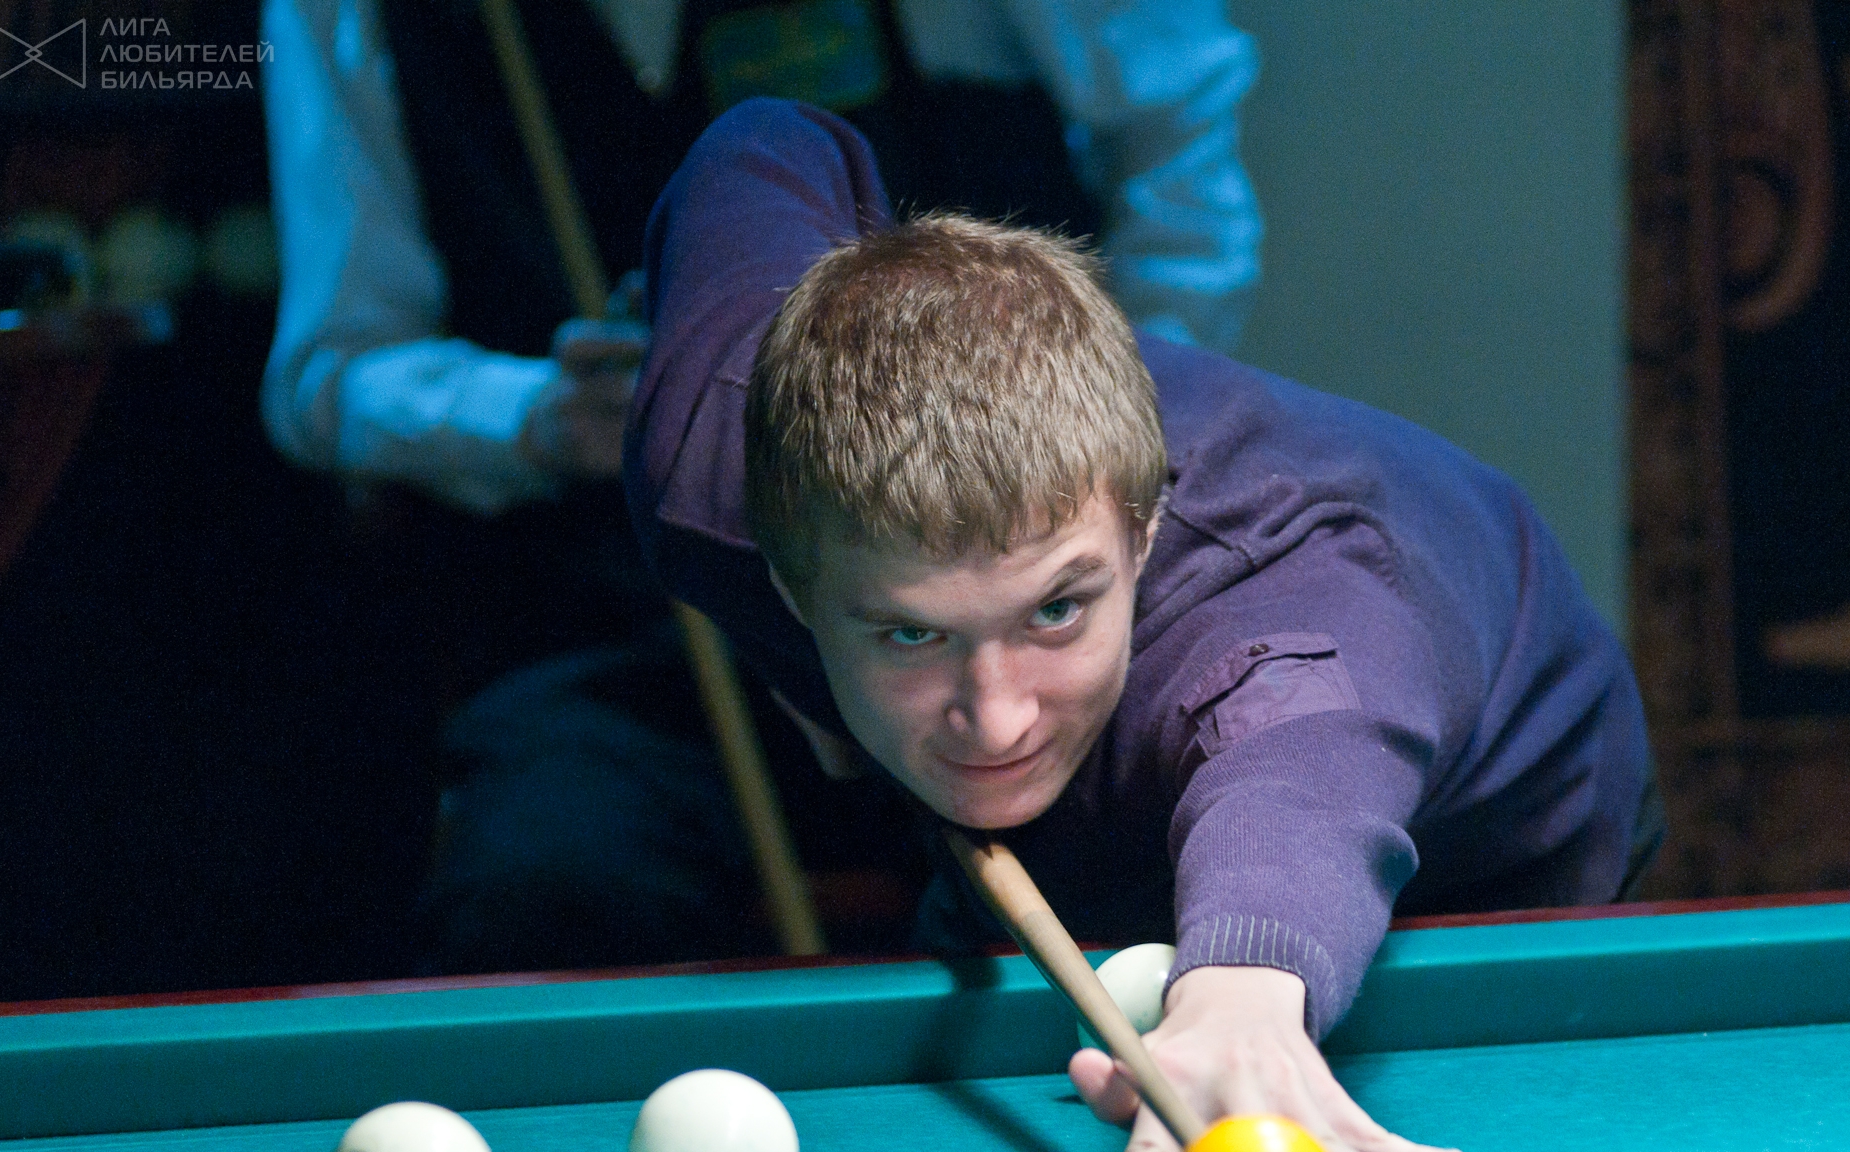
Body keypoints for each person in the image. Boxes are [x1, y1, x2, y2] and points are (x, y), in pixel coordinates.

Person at [630, 100, 1661, 1152]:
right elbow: (766, 140)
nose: (997, 717)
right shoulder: (707, 464)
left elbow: (1305, 776)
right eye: (910, 632)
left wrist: (1244, 987)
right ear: (790, 583)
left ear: (1143, 530)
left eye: (1055, 610)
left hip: (1492, 832)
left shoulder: (1296, 606)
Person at [258, 0, 1263, 970]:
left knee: (1143, 863)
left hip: (986, 618)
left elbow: (1185, 208)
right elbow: (327, 372)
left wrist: (1072, 422)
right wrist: (535, 415)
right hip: (628, 647)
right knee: (541, 885)